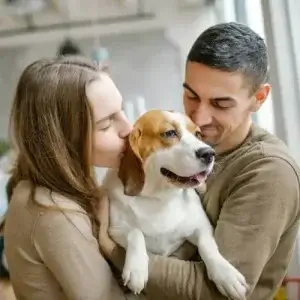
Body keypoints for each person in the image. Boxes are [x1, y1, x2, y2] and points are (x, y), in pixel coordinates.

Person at [98, 22, 300, 300]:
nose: (200, 118)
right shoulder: (188, 148)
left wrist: (111, 249)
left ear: (259, 98)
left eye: (221, 104)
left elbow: (212, 293)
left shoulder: (269, 172)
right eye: (191, 96)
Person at [3, 56, 142, 300]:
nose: (128, 128)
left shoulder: (40, 190)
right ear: (64, 137)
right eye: (107, 123)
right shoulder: (53, 210)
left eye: (121, 110)